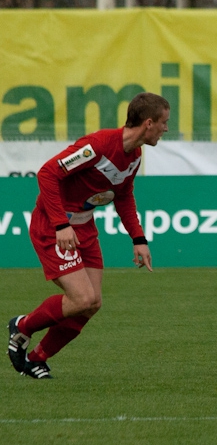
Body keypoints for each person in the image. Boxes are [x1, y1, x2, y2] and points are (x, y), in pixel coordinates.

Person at [7, 92, 169, 379]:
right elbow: (47, 174)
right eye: (164, 122)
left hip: (84, 229)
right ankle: (22, 326)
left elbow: (124, 196)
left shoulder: (135, 155)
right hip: (54, 226)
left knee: (92, 304)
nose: (165, 129)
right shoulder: (98, 145)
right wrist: (61, 224)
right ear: (148, 123)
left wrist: (138, 238)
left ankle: (36, 359)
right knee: (82, 298)